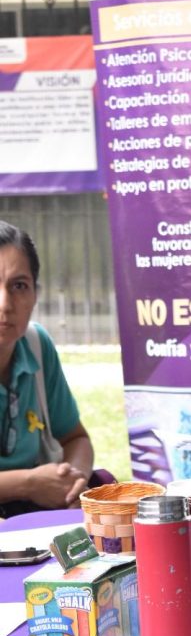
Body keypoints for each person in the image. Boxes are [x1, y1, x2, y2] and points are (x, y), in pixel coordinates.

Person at [0, 221, 98, 518]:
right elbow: (32, 485)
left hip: (27, 521)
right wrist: (28, 484)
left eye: (19, 286)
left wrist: (73, 483)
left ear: (35, 294)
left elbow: (75, 439)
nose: (5, 304)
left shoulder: (35, 344)